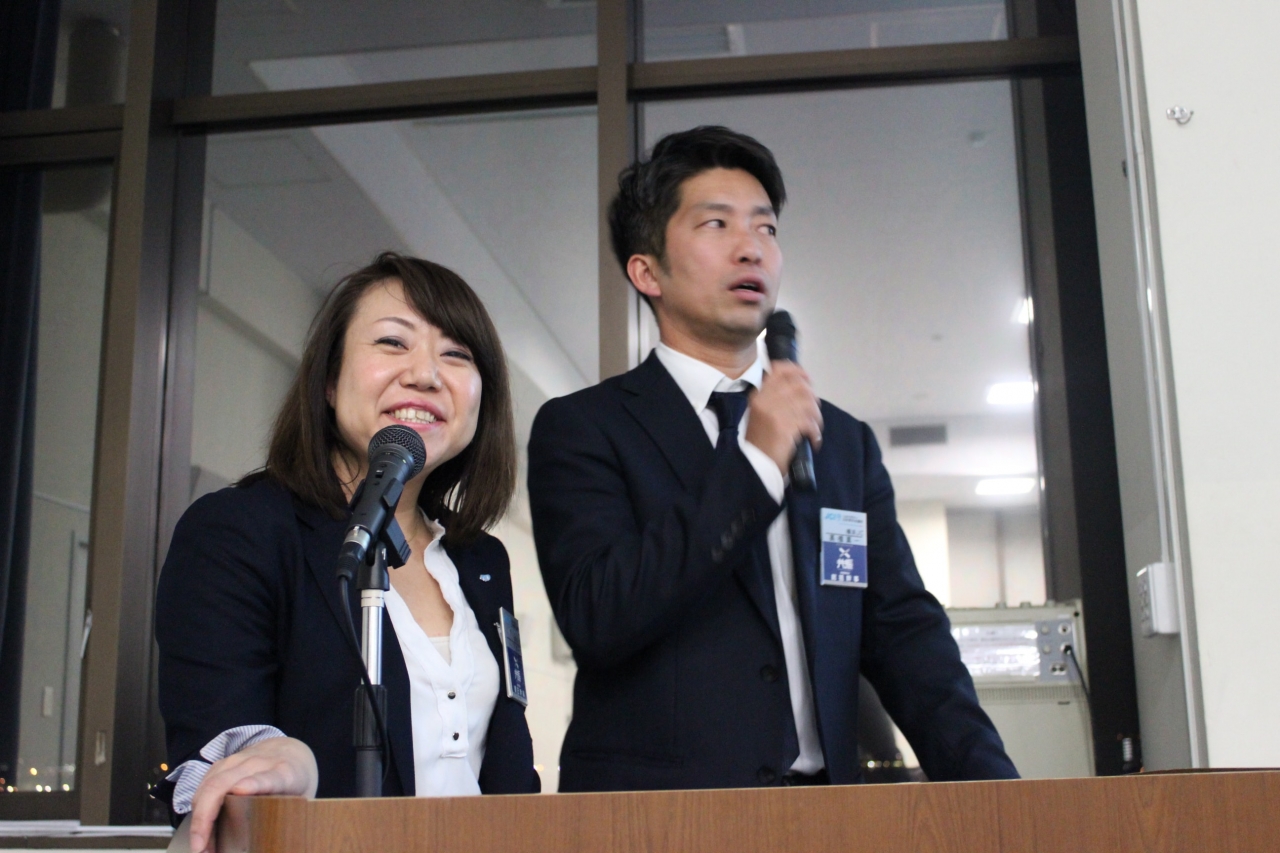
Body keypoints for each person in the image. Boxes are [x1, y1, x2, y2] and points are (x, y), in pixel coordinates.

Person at [527, 126, 1018, 792]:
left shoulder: (842, 442)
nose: (751, 246)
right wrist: (755, 466)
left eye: (766, 227)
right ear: (646, 271)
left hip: (825, 810)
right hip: (659, 818)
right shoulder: (585, 427)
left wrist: (999, 789)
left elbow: (904, 633)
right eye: (717, 223)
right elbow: (599, 614)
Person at [153, 253, 539, 852]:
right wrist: (283, 761)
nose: (426, 374)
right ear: (330, 381)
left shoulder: (480, 558)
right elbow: (217, 745)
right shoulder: (239, 530)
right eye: (393, 342)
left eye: (457, 354)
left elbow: (509, 768)